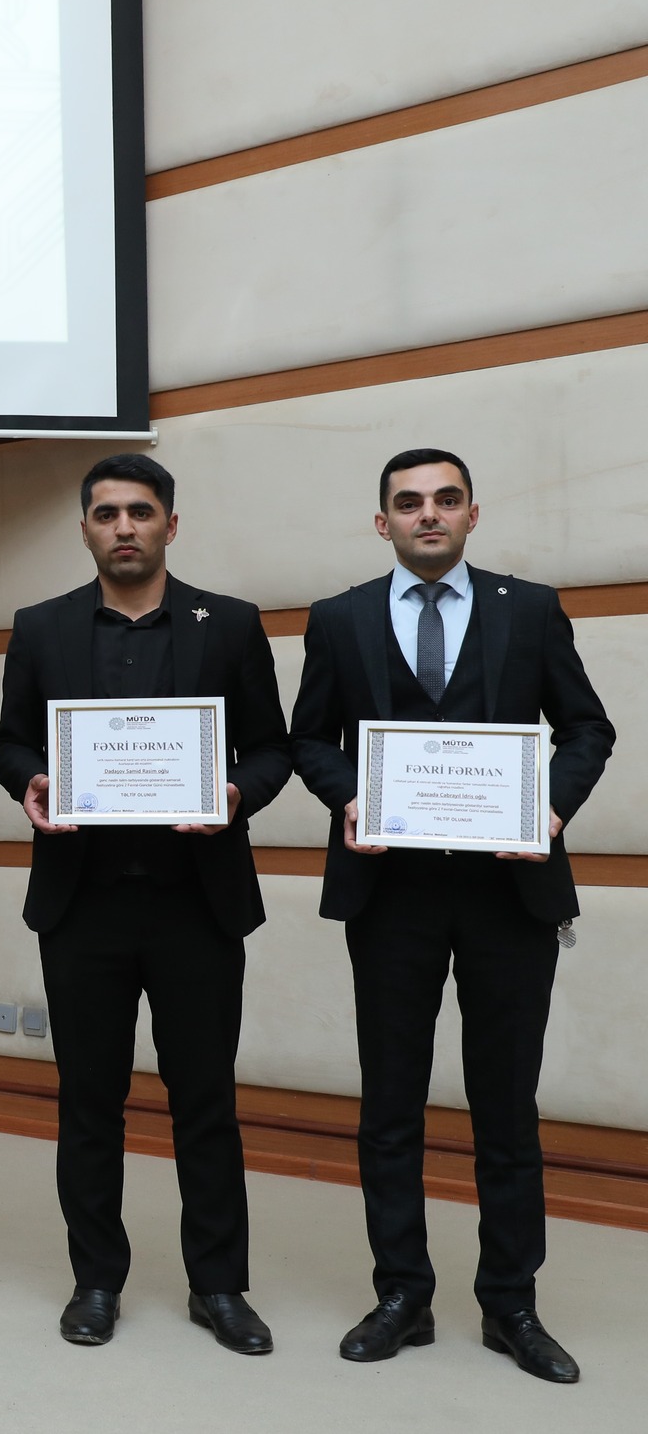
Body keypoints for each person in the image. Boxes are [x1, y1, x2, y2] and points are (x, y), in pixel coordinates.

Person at [291, 448, 614, 1384]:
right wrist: (349, 795)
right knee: (390, 1104)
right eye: (408, 503)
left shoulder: (532, 609)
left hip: (509, 894)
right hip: (389, 894)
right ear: (382, 522)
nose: (426, 514)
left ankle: (511, 1303)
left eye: (445, 500)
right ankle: (403, 1294)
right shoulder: (340, 617)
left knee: (506, 1107)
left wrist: (550, 809)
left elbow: (587, 727)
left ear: (473, 514)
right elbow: (310, 737)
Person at [0, 454, 293, 1354]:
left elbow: (271, 749)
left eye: (141, 511)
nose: (124, 526)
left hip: (198, 902)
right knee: (90, 1101)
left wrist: (235, 794)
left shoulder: (229, 624)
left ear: (170, 525)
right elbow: (11, 743)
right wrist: (31, 780)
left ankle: (219, 1287)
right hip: (82, 903)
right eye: (107, 513)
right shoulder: (40, 627)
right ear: (86, 528)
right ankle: (96, 1280)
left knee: (206, 1101)